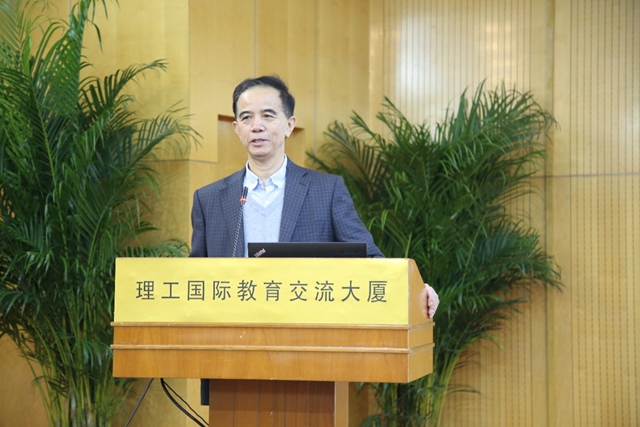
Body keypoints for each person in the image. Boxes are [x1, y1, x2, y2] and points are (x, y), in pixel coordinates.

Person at [189, 75, 439, 318]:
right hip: (234, 327)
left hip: (306, 326)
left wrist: (416, 290)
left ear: (289, 125)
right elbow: (194, 275)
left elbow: (369, 259)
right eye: (246, 117)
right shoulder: (208, 199)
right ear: (236, 128)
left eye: (268, 115)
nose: (257, 126)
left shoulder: (327, 190)